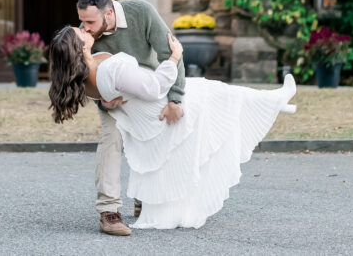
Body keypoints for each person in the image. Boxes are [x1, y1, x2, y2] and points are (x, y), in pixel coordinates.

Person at [48, 24, 297, 230]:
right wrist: (175, 55)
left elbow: (113, 97)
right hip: (162, 105)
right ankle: (276, 100)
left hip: (148, 114)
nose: (83, 28)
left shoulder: (84, 81)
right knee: (222, 93)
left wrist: (107, 101)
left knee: (225, 94)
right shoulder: (109, 68)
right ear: (80, 47)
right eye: (79, 31)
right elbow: (156, 86)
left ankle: (276, 101)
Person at [75, 0, 185, 236]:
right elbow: (83, 76)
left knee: (153, 137)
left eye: (90, 21)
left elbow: (171, 50)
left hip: (147, 84)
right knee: (111, 139)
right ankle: (108, 212)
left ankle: (143, 196)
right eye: (82, 20)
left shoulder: (141, 12)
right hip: (112, 96)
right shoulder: (86, 36)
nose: (85, 27)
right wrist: (102, 102)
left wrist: (175, 99)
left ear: (110, 13)